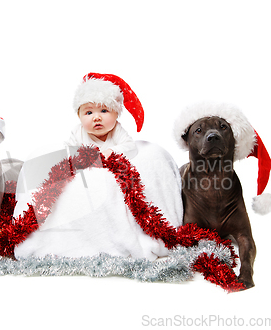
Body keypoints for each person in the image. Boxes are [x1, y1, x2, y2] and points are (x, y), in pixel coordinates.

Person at [10, 73, 183, 261]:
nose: (96, 118)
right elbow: (69, 150)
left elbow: (129, 147)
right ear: (79, 115)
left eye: (104, 111)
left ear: (116, 114)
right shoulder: (78, 132)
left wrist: (113, 152)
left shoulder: (117, 130)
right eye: (89, 112)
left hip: (112, 166)